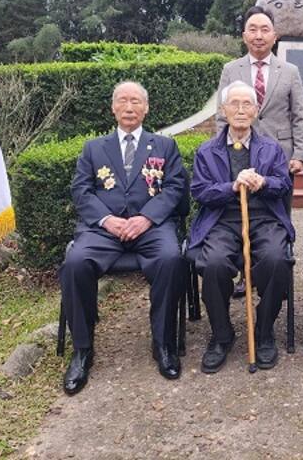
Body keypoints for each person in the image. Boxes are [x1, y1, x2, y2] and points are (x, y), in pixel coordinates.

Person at [59, 81, 189, 395]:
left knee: (172, 259)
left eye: (135, 102)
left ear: (146, 108)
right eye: (122, 101)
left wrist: (146, 217)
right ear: (113, 108)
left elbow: (174, 188)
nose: (129, 108)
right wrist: (107, 219)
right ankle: (83, 350)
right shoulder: (94, 148)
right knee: (75, 262)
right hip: (105, 229)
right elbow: (81, 190)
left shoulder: (164, 146)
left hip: (151, 227)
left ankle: (163, 343)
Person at [190, 81, 295, 373]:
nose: (240, 110)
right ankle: (222, 335)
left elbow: (284, 184)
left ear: (256, 110)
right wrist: (231, 187)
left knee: (276, 259)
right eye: (233, 104)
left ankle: (263, 330)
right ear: (223, 110)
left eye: (246, 104)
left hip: (263, 217)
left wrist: (264, 182)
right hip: (222, 220)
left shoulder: (271, 149)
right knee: (213, 263)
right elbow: (200, 191)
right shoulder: (206, 151)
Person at [216, 6, 303, 296]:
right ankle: (246, 273)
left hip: (279, 158)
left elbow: (299, 116)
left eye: (264, 30)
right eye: (253, 29)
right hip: (240, 154)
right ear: (244, 35)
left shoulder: (290, 71)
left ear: (275, 35)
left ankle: (274, 271)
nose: (258, 36)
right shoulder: (231, 70)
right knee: (243, 214)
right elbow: (222, 116)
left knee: (275, 215)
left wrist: (299, 154)